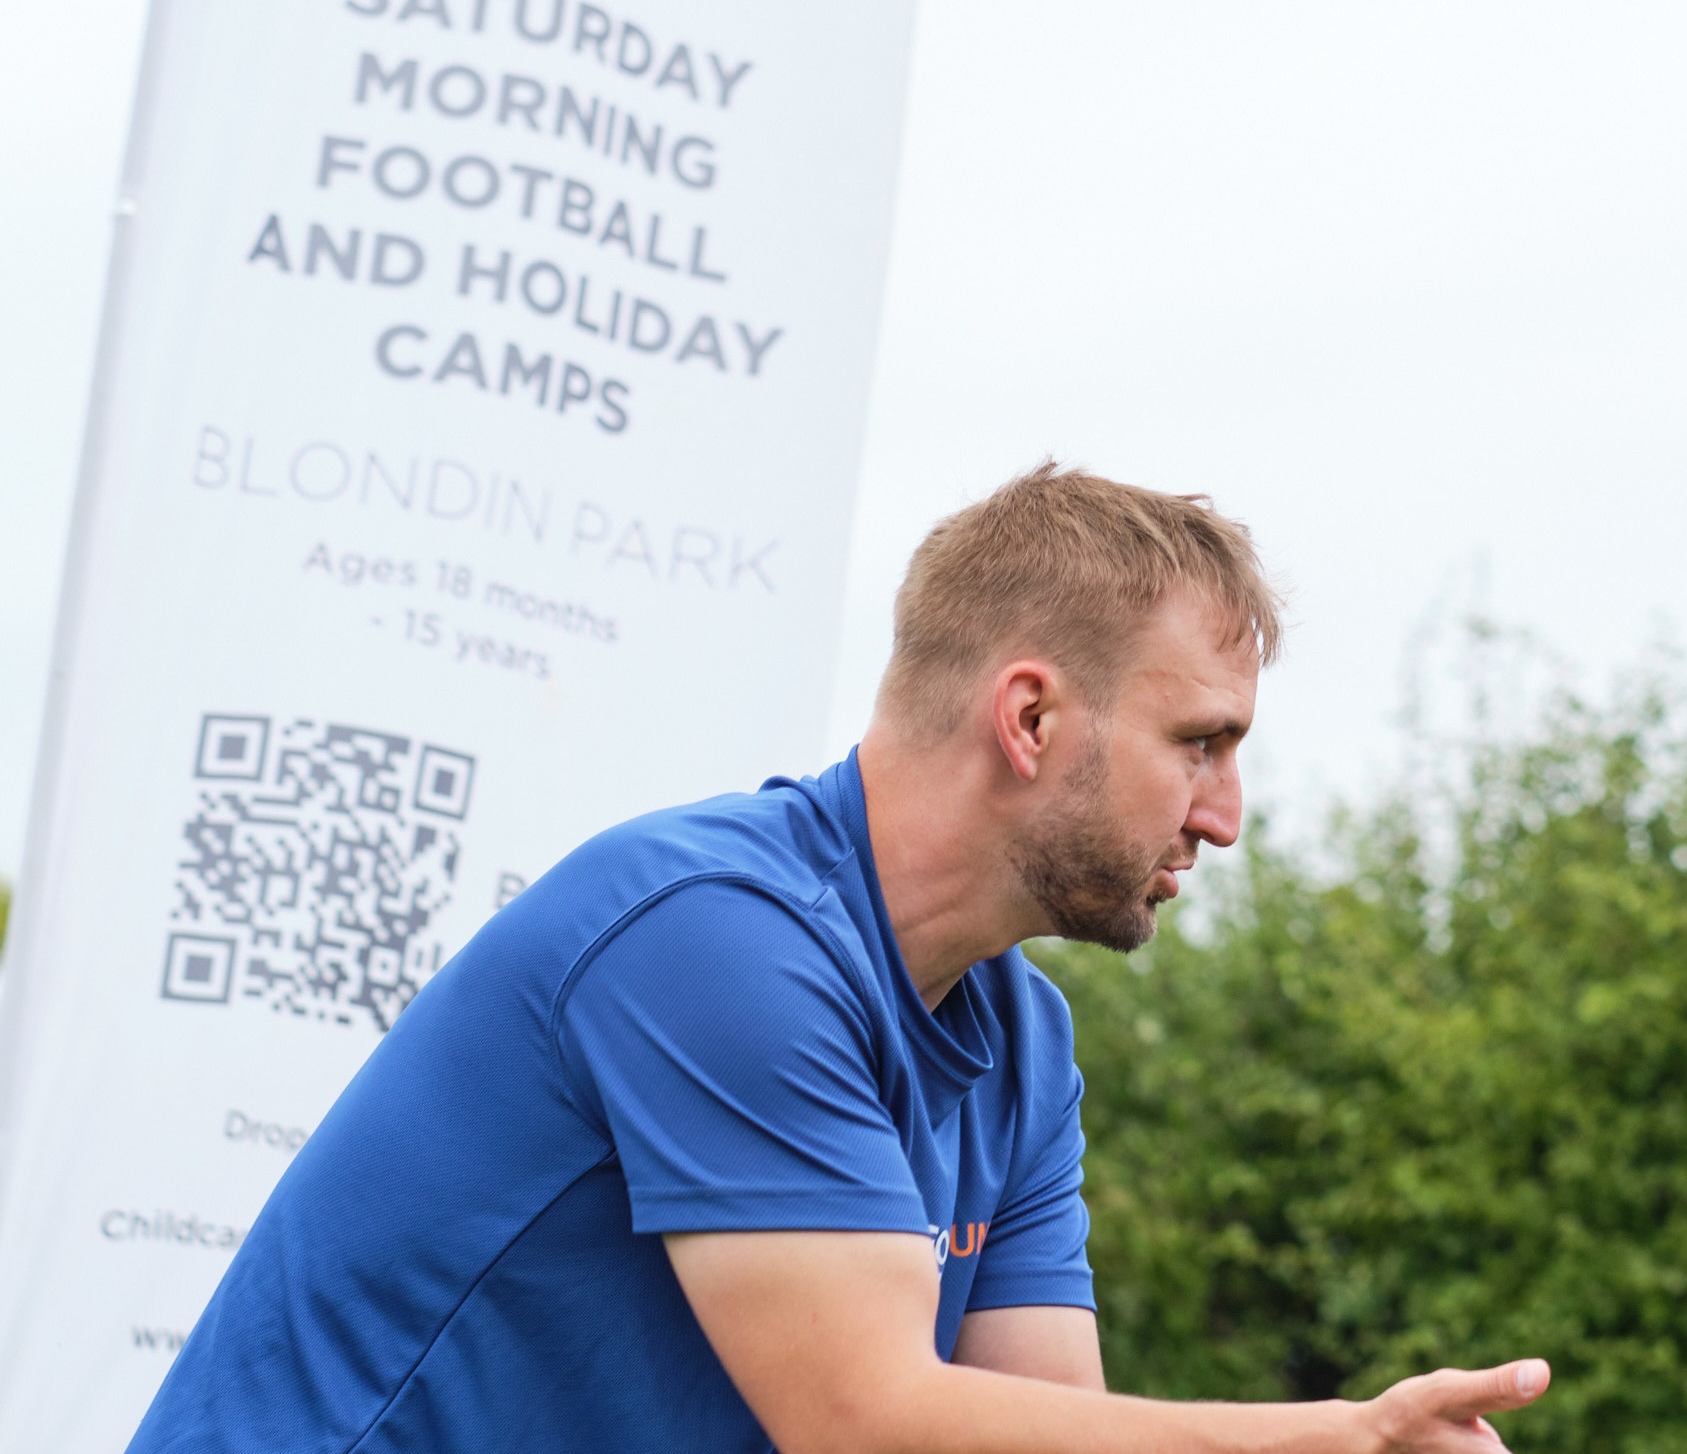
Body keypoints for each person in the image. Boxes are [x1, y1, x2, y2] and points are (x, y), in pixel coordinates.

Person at [129, 465, 1547, 1454]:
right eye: (1201, 743)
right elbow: (867, 1421)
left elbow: (1043, 1431)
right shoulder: (712, 937)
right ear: (1031, 719)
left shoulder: (1024, 1046)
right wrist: (1339, 1435)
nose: (1225, 815)